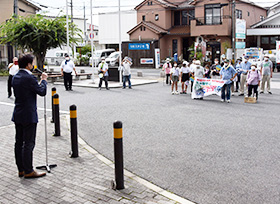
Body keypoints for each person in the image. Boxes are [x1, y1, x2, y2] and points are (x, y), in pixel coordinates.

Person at [12, 54, 48, 178]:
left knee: (19, 142)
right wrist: (43, 80)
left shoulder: (15, 77)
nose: (33, 66)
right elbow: (42, 91)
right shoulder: (30, 78)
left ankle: (21, 169)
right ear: (28, 64)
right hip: (29, 115)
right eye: (32, 63)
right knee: (28, 143)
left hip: (18, 113)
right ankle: (29, 171)